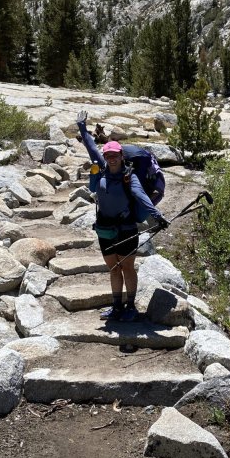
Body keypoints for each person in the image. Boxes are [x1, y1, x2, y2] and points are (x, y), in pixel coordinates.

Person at [76, 109, 168, 322]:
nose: (111, 159)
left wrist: (157, 215)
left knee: (127, 267)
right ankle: (116, 307)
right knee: (113, 268)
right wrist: (82, 125)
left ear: (121, 156)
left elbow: (142, 197)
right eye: (108, 156)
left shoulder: (130, 177)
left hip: (126, 229)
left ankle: (131, 307)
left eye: (115, 155)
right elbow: (90, 145)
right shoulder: (102, 168)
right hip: (104, 229)